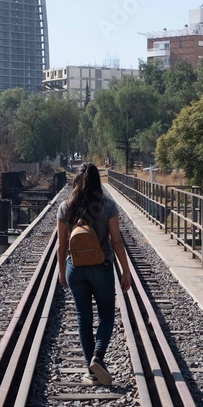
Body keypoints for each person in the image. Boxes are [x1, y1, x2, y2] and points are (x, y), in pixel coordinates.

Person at [57, 163, 131, 386]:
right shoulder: (108, 206)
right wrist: (125, 271)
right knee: (106, 316)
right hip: (102, 266)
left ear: (76, 182)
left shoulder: (65, 208)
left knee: (83, 318)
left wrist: (62, 271)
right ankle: (98, 358)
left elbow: (61, 245)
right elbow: (116, 241)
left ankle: (91, 370)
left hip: (75, 269)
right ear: (98, 182)